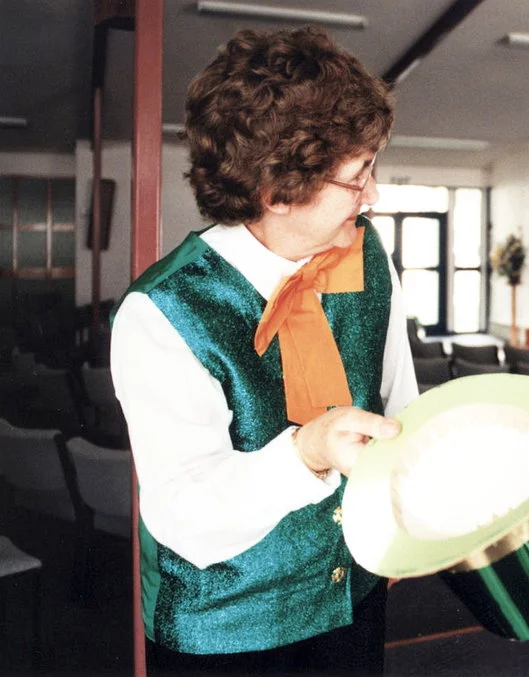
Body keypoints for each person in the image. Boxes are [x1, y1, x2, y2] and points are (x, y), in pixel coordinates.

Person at [111, 26, 418, 675]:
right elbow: (186, 519)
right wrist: (305, 452)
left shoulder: (366, 253)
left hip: (351, 595)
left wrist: (395, 528)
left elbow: (400, 404)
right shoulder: (161, 312)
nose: (374, 196)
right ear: (277, 192)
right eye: (358, 176)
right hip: (226, 629)